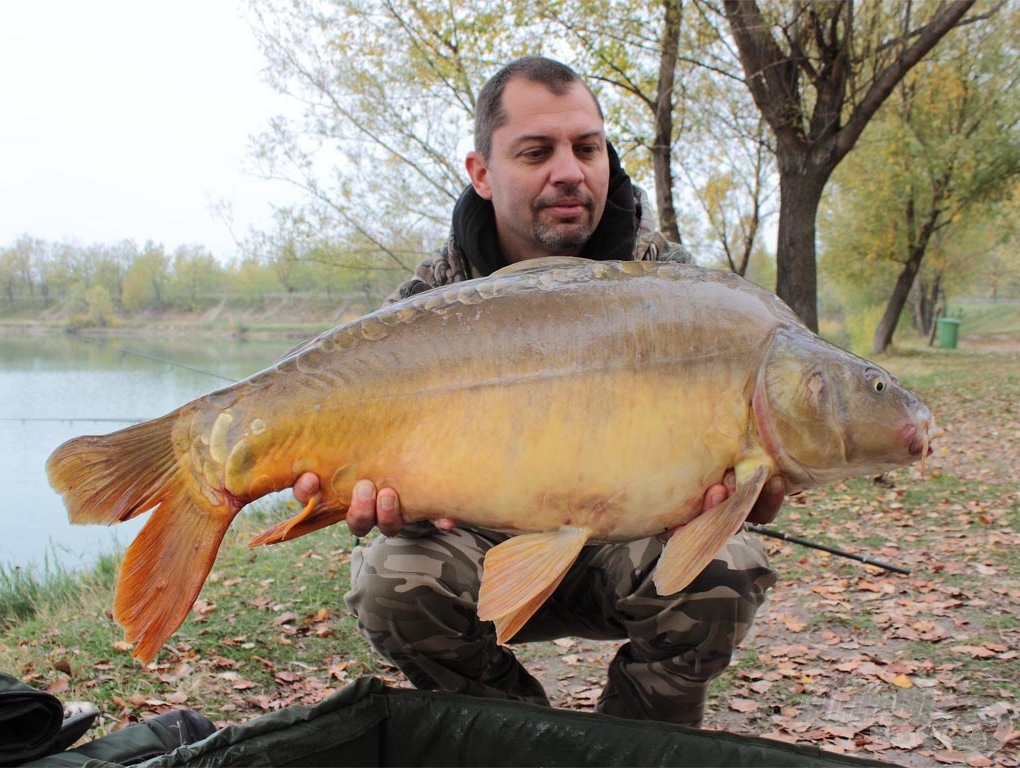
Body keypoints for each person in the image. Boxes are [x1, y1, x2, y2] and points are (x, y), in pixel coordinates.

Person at [293, 56, 784, 726]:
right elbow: (373, 476)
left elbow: (742, 477)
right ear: (482, 173)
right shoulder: (430, 302)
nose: (570, 171)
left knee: (725, 568)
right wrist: (382, 502)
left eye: (587, 148)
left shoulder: (671, 289)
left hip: (628, 545)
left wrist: (745, 493)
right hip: (478, 549)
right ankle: (519, 734)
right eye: (536, 151)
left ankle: (637, 744)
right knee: (391, 581)